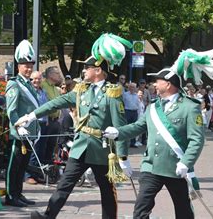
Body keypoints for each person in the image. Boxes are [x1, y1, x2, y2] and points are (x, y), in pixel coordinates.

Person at [19, 33, 132, 219]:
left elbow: (120, 127)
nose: (84, 71)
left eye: (87, 67)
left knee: (107, 191)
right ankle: (48, 215)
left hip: (101, 150)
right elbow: (57, 102)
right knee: (64, 184)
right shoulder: (81, 90)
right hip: (80, 147)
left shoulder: (112, 93)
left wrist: (123, 156)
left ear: (98, 70)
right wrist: (32, 115)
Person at [103, 46, 213, 218]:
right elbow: (138, 127)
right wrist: (118, 132)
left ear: (168, 84)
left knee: (183, 210)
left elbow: (197, 139)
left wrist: (186, 162)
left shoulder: (189, 107)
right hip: (151, 166)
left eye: (157, 81)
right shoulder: (153, 107)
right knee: (141, 208)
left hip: (175, 166)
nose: (154, 84)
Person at [4, 40, 39, 207]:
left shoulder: (29, 85)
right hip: (19, 132)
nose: (29, 68)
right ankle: (11, 196)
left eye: (31, 65)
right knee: (14, 166)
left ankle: (18, 193)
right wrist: (19, 127)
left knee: (23, 165)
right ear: (19, 65)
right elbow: (11, 111)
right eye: (25, 65)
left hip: (29, 132)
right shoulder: (14, 84)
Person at [25, 71, 49, 185]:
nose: (36, 81)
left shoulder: (43, 92)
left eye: (39, 79)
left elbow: (46, 107)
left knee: (40, 151)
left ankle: (36, 174)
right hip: (34, 123)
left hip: (43, 123)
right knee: (33, 151)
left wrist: (47, 120)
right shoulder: (29, 92)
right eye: (34, 79)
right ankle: (29, 175)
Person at [41, 66, 63, 164]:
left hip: (55, 120)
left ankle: (48, 171)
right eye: (57, 73)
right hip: (47, 120)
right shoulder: (43, 85)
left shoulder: (55, 88)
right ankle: (40, 170)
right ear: (50, 75)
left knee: (51, 146)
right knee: (43, 146)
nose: (59, 75)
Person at [123, 82, 140, 147]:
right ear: (129, 88)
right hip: (127, 112)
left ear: (135, 88)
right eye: (131, 87)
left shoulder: (137, 95)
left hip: (135, 112)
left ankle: (133, 143)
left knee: (134, 128)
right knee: (126, 127)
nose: (132, 88)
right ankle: (125, 143)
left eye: (134, 87)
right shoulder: (125, 94)